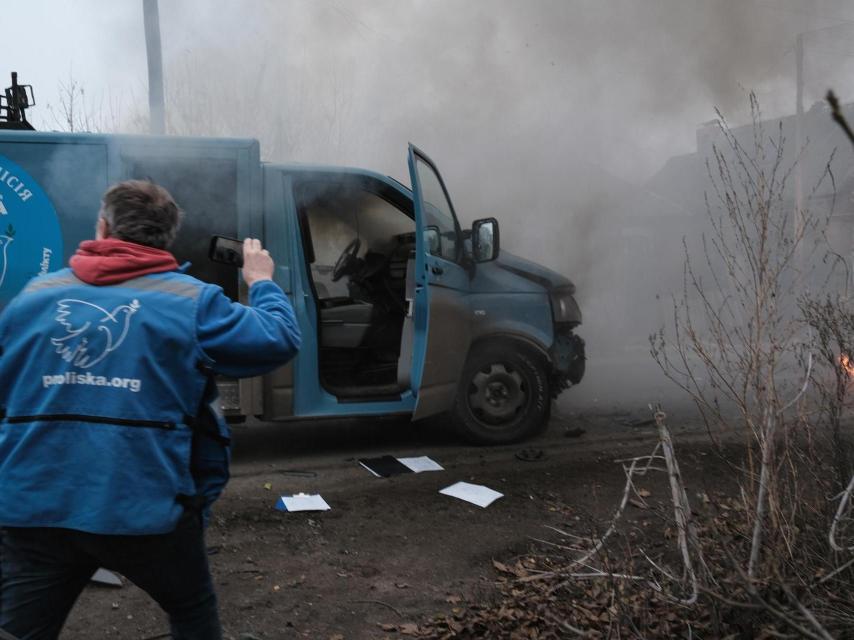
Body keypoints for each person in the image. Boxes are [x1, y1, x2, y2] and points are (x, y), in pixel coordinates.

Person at [0, 180, 301, 640]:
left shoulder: (33, 298)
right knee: (192, 609)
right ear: (166, 237)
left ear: (102, 227)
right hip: (142, 506)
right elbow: (279, 338)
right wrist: (260, 281)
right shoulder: (192, 302)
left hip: (35, 504)